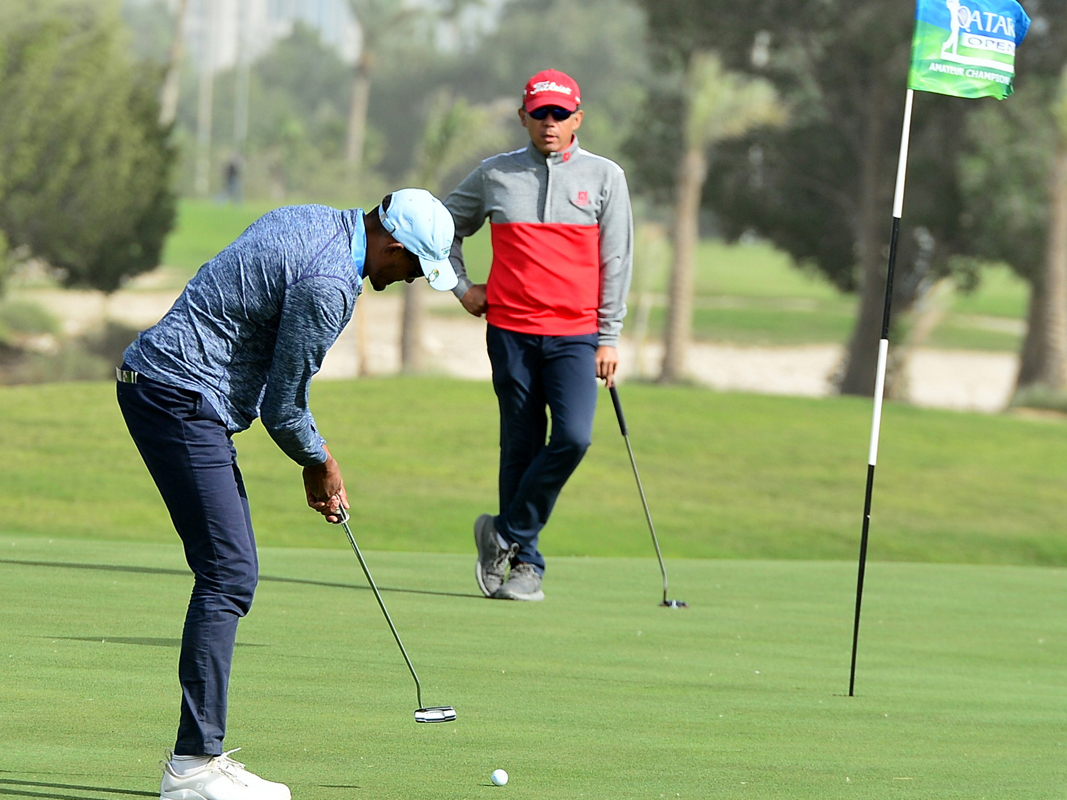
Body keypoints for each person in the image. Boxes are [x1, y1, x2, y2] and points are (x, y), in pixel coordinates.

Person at [116, 189, 457, 800]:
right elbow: (283, 406)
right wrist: (320, 462)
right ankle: (193, 765)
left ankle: (200, 757)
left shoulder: (312, 219)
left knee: (228, 570)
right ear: (393, 245)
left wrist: (309, 457)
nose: (406, 281)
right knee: (228, 573)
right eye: (411, 268)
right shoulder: (332, 283)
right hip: (178, 395)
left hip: (164, 382)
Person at [444, 69, 634, 602]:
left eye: (559, 114)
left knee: (574, 436)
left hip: (576, 336)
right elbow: (442, 230)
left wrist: (609, 337)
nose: (550, 123)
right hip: (511, 332)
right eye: (540, 113)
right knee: (520, 446)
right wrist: (460, 287)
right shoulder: (494, 175)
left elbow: (615, 260)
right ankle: (526, 568)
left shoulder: (604, 177)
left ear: (577, 118)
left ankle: (504, 534)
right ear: (523, 116)